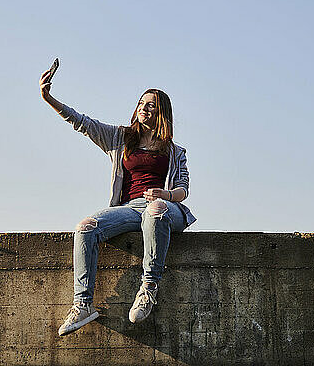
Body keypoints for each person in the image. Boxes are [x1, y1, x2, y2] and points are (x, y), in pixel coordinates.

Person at [39, 67, 197, 337]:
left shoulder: (175, 151)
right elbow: (82, 122)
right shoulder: (120, 138)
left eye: (151, 106)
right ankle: (83, 305)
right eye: (141, 103)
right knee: (85, 227)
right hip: (129, 208)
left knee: (155, 210)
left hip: (167, 208)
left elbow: (182, 189)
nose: (143, 109)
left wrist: (164, 194)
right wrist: (48, 98)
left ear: (161, 114)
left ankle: (148, 288)